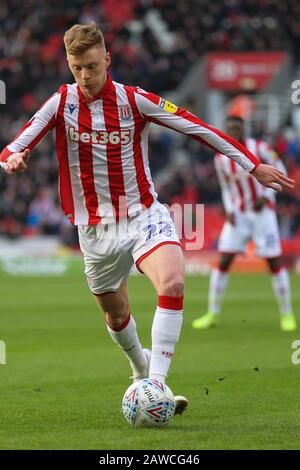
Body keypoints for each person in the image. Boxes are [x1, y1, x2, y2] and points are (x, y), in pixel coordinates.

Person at [0, 23, 294, 416]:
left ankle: (156, 384)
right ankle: (141, 371)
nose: (84, 77)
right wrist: (13, 160)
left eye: (91, 66)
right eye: (76, 68)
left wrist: (251, 164)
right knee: (115, 313)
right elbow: (12, 147)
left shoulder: (135, 101)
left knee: (172, 279)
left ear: (107, 59)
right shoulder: (61, 102)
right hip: (95, 231)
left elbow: (197, 127)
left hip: (143, 215)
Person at [192, 116, 297, 332]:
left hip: (262, 215)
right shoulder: (221, 158)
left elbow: (281, 172)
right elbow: (226, 187)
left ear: (243, 129)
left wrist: (267, 197)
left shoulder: (260, 148)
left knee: (274, 262)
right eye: (230, 128)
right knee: (223, 261)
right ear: (226, 130)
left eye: (237, 128)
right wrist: (229, 209)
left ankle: (287, 314)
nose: (233, 131)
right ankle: (212, 313)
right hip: (238, 216)